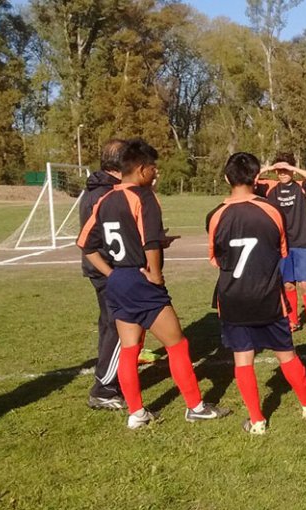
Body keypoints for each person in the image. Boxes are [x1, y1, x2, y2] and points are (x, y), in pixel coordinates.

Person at [78, 138, 230, 429]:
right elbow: (150, 243)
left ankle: (136, 413)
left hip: (119, 281)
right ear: (140, 169)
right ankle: (195, 406)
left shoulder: (104, 199)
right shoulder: (143, 197)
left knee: (129, 348)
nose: (156, 173)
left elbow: (85, 245)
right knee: (177, 345)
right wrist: (156, 277)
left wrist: (112, 274)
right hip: (141, 280)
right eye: (153, 168)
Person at [207, 152, 306, 435]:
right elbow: (282, 251)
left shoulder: (215, 215)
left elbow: (215, 259)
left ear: (227, 178)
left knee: (243, 358)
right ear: (257, 178)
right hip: (267, 296)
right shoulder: (271, 211)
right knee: (286, 354)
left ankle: (257, 420)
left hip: (232, 297)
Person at [79, 139, 126, 410]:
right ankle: (104, 388)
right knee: (117, 326)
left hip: (103, 267)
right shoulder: (104, 194)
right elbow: (95, 240)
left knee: (109, 324)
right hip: (107, 268)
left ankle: (110, 378)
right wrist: (113, 272)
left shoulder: (98, 188)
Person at [256, 153, 306, 336]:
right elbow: (249, 180)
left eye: (286, 170)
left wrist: (292, 168)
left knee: (304, 284)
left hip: (301, 241)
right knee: (288, 285)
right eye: (280, 170)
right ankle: (293, 321)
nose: (282, 173)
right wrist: (269, 168)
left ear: (292, 170)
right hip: (280, 244)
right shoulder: (270, 187)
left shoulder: (301, 187)